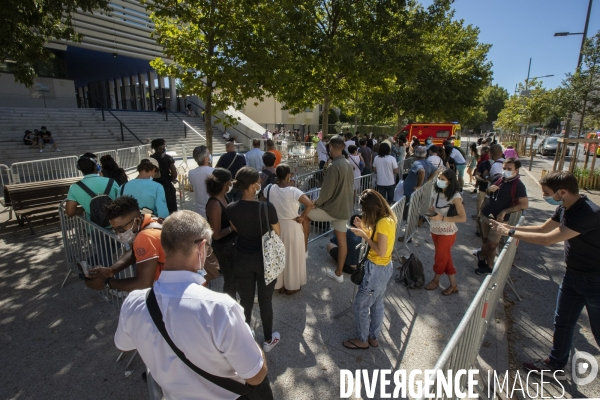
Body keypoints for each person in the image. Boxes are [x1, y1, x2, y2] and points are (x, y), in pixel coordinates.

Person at [114, 210, 271, 399]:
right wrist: (253, 344)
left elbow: (123, 344)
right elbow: (256, 375)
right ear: (201, 247)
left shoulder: (134, 302)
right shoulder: (220, 308)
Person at [488, 171, 600, 380]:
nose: (545, 197)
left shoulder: (588, 213)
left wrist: (509, 233)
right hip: (573, 276)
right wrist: (510, 227)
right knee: (562, 322)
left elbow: (548, 239)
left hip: (594, 281)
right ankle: (556, 365)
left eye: (547, 193)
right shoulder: (564, 207)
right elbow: (543, 228)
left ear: (563, 191)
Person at [227, 167, 281, 352]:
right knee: (266, 300)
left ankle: (244, 338)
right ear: (252, 185)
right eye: (258, 181)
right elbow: (277, 233)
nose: (260, 183)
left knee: (246, 300)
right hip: (265, 260)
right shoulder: (267, 207)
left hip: (242, 257)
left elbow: (235, 229)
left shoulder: (231, 208)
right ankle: (268, 339)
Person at [343, 189, 397, 350]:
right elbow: (381, 242)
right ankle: (373, 337)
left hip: (376, 269)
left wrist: (364, 236)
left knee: (360, 305)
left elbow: (380, 250)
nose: (364, 213)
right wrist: (364, 228)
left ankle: (362, 339)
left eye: (365, 210)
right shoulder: (388, 219)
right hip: (385, 267)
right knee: (377, 303)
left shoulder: (382, 223)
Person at [84, 196, 165, 292]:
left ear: (137, 220)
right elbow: (135, 250)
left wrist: (107, 282)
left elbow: (143, 284)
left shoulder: (146, 236)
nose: (118, 234)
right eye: (115, 230)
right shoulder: (152, 220)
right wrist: (111, 270)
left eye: (121, 229)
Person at [308, 135, 354, 283]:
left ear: (331, 147)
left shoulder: (334, 166)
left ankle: (303, 251)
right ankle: (339, 273)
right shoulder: (347, 164)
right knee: (342, 241)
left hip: (331, 208)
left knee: (304, 215)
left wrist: (315, 203)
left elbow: (326, 193)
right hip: (344, 208)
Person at [266, 164, 314, 295]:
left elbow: (262, 203)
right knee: (292, 255)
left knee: (278, 255)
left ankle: (280, 284)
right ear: (288, 176)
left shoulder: (269, 188)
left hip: (275, 225)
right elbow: (310, 204)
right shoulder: (294, 191)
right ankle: (291, 285)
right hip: (292, 226)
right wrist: (302, 217)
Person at [476, 158, 528, 274]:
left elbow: (524, 204)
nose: (505, 171)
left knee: (492, 244)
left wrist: (505, 211)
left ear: (516, 170)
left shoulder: (518, 185)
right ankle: (489, 266)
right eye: (504, 168)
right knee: (486, 244)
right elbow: (489, 193)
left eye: (509, 169)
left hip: (500, 220)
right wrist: (490, 189)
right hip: (485, 214)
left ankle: (481, 256)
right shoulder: (499, 179)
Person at [423, 169, 467, 295]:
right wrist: (431, 212)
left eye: (443, 179)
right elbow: (434, 209)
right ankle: (453, 285)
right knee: (445, 257)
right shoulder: (436, 193)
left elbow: (463, 218)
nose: (439, 181)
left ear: (450, 182)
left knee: (440, 257)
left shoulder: (455, 197)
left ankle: (436, 280)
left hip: (447, 232)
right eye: (439, 178)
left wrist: (441, 218)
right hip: (435, 230)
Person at [205, 168, 237, 299]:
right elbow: (216, 234)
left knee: (234, 279)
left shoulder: (224, 197)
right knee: (229, 282)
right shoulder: (214, 204)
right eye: (230, 182)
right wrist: (232, 228)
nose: (232, 185)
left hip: (232, 246)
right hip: (223, 249)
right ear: (225, 183)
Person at [65, 153, 120, 222]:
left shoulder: (74, 187)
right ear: (96, 167)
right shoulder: (111, 181)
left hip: (93, 227)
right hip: (115, 224)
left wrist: (85, 208)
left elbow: (70, 212)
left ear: (80, 169)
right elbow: (120, 200)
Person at [401, 146, 436, 222]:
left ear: (416, 155)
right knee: (415, 204)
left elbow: (422, 171)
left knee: (408, 204)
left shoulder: (417, 163)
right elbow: (436, 171)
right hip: (416, 189)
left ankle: (406, 219)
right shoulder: (428, 163)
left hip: (411, 189)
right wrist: (427, 180)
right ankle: (412, 217)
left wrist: (419, 186)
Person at [150, 139, 178, 214]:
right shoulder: (168, 158)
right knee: (171, 209)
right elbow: (174, 174)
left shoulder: (151, 158)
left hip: (154, 185)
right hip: (166, 185)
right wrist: (172, 178)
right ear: (162, 146)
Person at [188, 145, 214, 218]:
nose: (210, 155)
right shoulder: (214, 171)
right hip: (213, 208)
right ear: (206, 159)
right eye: (209, 154)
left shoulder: (191, 173)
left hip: (199, 209)